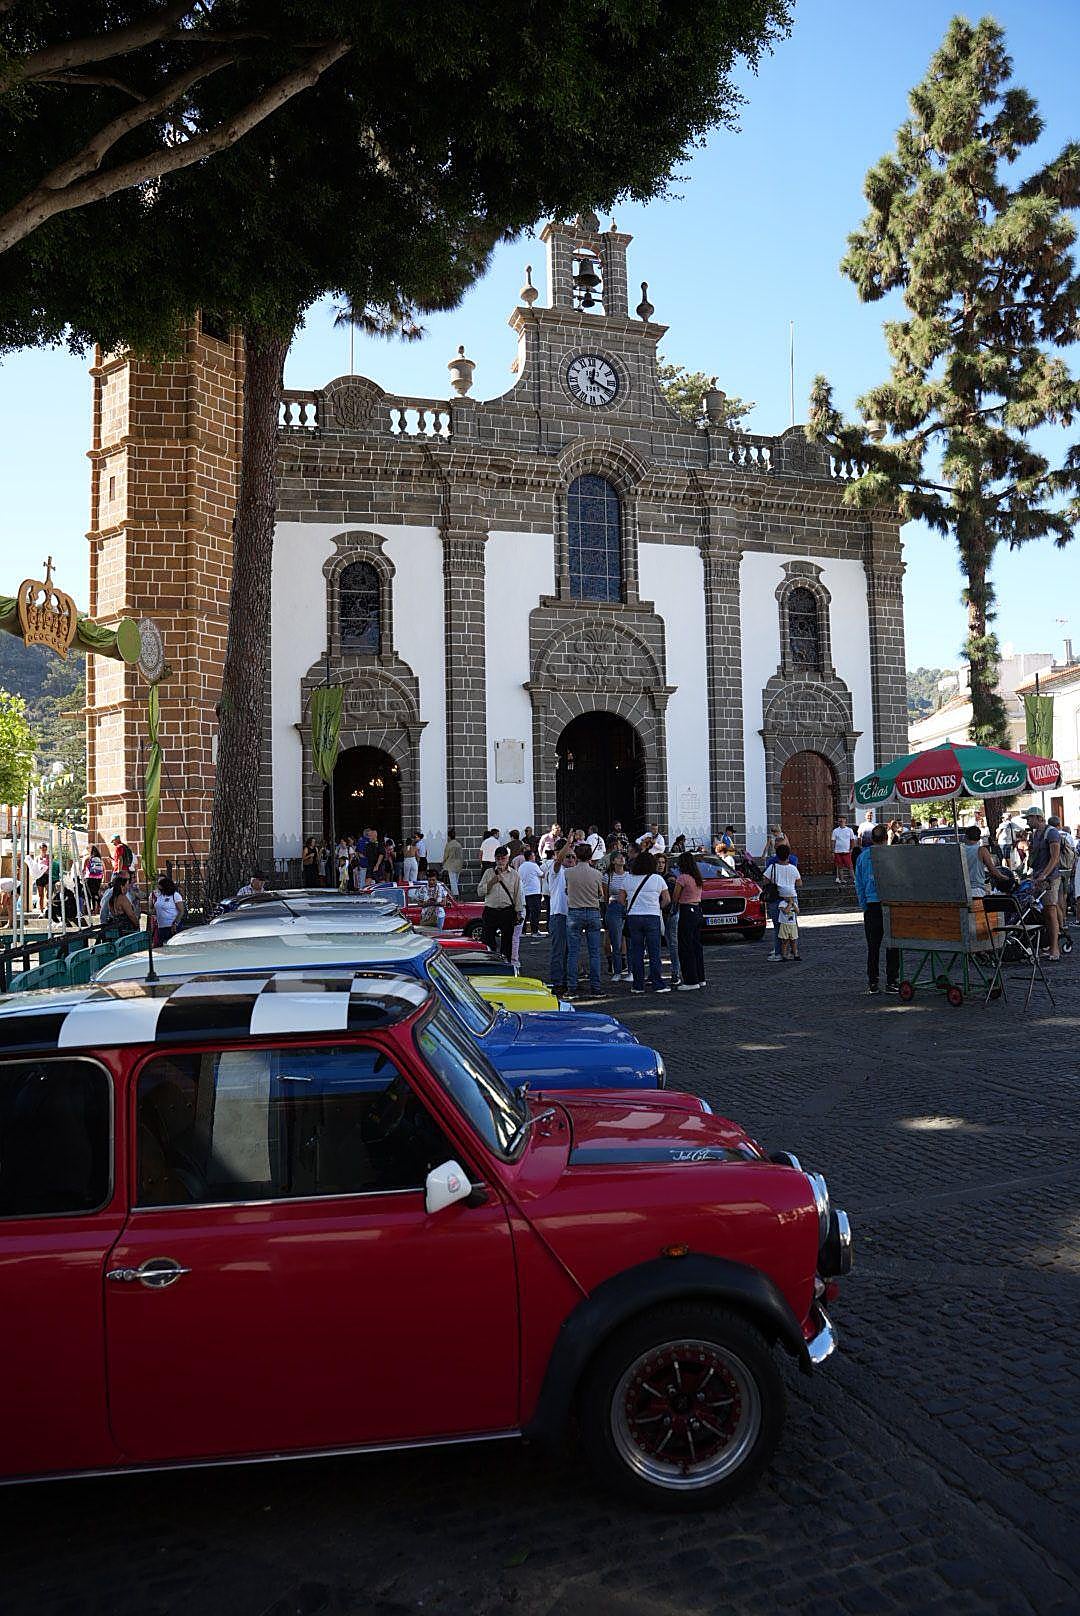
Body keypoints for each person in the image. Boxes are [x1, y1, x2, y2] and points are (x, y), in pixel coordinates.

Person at [855, 823, 899, 993]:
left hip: (871, 905)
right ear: (886, 839)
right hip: (890, 904)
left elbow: (859, 884)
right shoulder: (892, 856)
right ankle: (892, 981)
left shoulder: (862, 857)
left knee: (873, 947)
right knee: (892, 945)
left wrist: (864, 906)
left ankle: (873, 983)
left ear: (871, 839)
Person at [624, 850, 671, 994]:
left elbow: (620, 899)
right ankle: (657, 983)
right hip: (652, 916)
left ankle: (637, 985)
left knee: (636, 952)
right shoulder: (657, 879)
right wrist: (658, 907)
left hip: (634, 917)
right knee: (654, 952)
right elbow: (667, 899)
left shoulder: (628, 879)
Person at [564, 842, 606, 998]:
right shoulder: (597, 874)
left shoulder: (568, 872)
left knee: (573, 953)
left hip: (575, 911)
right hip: (593, 911)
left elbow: (566, 890)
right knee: (594, 952)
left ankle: (572, 987)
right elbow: (600, 894)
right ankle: (596, 987)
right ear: (590, 856)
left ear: (576, 856)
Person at [1025, 806, 1061, 960]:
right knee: (1043, 912)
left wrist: (1044, 874)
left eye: (1029, 818)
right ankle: (1047, 945)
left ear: (1038, 818)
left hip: (1050, 878)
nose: (1027, 821)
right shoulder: (1034, 834)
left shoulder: (1051, 832)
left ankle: (1055, 948)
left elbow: (1055, 857)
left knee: (1050, 911)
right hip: (1039, 877)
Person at [478, 845, 523, 960]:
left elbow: (518, 894)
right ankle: (489, 961)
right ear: (495, 859)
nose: (500, 861)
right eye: (498, 858)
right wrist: (491, 882)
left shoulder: (514, 874)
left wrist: (519, 912)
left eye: (503, 858)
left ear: (507, 859)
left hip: (507, 911)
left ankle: (506, 962)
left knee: (507, 941)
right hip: (491, 910)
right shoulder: (488, 872)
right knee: (487, 939)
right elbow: (479, 892)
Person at [763, 843, 800, 963]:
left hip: (777, 898)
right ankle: (793, 952)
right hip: (792, 898)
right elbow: (799, 882)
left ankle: (779, 953)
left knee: (778, 927)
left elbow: (766, 880)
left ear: (777, 855)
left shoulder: (772, 867)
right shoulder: (793, 868)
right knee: (792, 925)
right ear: (788, 855)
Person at [673, 851, 705, 989]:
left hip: (686, 910)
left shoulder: (682, 878)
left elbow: (675, 897)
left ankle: (691, 980)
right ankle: (700, 977)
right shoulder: (697, 878)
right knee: (696, 945)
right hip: (697, 910)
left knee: (685, 946)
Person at [546, 838, 573, 993]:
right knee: (559, 950)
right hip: (559, 914)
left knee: (571, 950)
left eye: (572, 856)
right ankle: (558, 981)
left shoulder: (572, 871)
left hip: (572, 914)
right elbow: (558, 861)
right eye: (567, 856)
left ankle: (568, 980)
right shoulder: (555, 869)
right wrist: (568, 844)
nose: (570, 859)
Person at [604, 852, 632, 980]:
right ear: (613, 861)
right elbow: (605, 896)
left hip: (628, 906)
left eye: (623, 857)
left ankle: (631, 971)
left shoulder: (629, 875)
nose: (622, 859)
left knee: (630, 940)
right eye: (618, 857)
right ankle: (617, 971)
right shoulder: (607, 876)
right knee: (615, 940)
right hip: (614, 906)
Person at [654, 852, 681, 986]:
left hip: (669, 913)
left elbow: (674, 897)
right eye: (658, 862)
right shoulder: (652, 878)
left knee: (673, 944)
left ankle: (675, 973)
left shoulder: (670, 878)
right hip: (656, 914)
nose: (660, 865)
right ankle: (655, 973)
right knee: (654, 945)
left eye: (663, 862)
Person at [152, 875, 186, 944]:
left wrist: (175, 923)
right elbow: (154, 909)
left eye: (160, 885)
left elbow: (181, 911)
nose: (158, 887)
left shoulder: (175, 895)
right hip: (161, 927)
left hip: (172, 927)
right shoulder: (159, 896)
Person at [518, 848, 543, 936]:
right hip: (534, 892)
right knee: (535, 912)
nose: (534, 857)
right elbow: (542, 874)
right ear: (530, 857)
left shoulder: (521, 867)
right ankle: (534, 931)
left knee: (526, 913)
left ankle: (522, 931)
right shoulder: (534, 865)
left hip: (524, 892)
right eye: (533, 855)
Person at [831, 815, 857, 885]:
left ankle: (854, 880)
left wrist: (852, 848)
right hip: (838, 851)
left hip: (847, 851)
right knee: (840, 867)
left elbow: (852, 840)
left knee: (850, 866)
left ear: (845, 821)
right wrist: (832, 851)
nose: (841, 821)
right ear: (838, 822)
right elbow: (833, 841)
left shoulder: (849, 830)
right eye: (840, 820)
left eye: (842, 820)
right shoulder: (835, 831)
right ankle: (842, 880)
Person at [441, 828, 464, 896]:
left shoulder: (449, 844)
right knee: (456, 881)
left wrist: (443, 862)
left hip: (451, 864)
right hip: (459, 864)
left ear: (449, 836)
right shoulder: (458, 844)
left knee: (453, 882)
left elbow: (446, 855)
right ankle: (455, 894)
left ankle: (455, 895)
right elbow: (461, 855)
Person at [777, 893, 800, 961]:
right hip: (785, 924)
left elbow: (798, 911)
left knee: (793, 940)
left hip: (792, 924)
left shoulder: (794, 903)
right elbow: (786, 911)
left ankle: (795, 954)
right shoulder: (782, 903)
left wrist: (794, 905)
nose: (788, 897)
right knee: (785, 941)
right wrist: (790, 904)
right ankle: (784, 955)